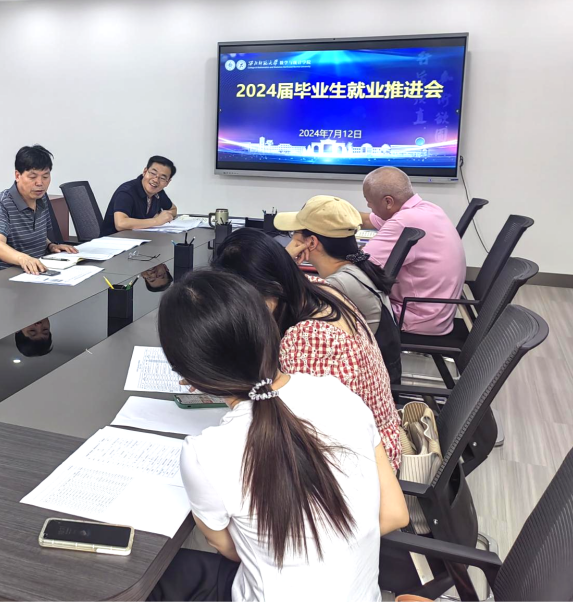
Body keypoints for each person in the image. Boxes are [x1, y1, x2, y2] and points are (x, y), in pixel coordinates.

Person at [148, 269, 408, 602]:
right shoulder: (339, 393)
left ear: (190, 376)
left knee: (148, 575)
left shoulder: (204, 454)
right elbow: (394, 513)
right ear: (270, 328)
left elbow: (230, 549)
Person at [214, 228, 400, 469]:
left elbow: (303, 436)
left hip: (364, 464)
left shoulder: (307, 339)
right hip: (372, 440)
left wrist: (223, 386)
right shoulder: (317, 289)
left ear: (269, 290)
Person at [275, 195, 402, 383]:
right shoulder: (357, 268)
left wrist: (283, 262)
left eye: (295, 232)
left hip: (361, 387)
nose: (291, 239)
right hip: (373, 377)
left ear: (311, 242)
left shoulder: (337, 285)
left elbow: (277, 316)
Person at [360, 167, 466, 336]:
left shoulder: (405, 220)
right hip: (437, 315)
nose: (368, 205)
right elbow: (366, 220)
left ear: (388, 202)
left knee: (336, 301)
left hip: (415, 319)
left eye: (369, 201)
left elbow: (358, 267)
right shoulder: (427, 209)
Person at [0, 145, 77, 274]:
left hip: (39, 270)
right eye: (33, 177)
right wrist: (23, 258)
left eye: (45, 177)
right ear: (17, 175)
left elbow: (38, 235)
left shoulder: (41, 199)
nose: (40, 183)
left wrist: (51, 246)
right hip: (10, 275)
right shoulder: (1, 203)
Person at [101, 156, 178, 236]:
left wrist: (163, 216)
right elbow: (121, 224)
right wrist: (157, 221)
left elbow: (173, 209)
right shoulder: (127, 191)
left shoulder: (158, 192)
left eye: (162, 178)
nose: (155, 180)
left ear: (167, 182)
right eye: (153, 173)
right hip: (114, 240)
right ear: (145, 172)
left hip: (140, 238)